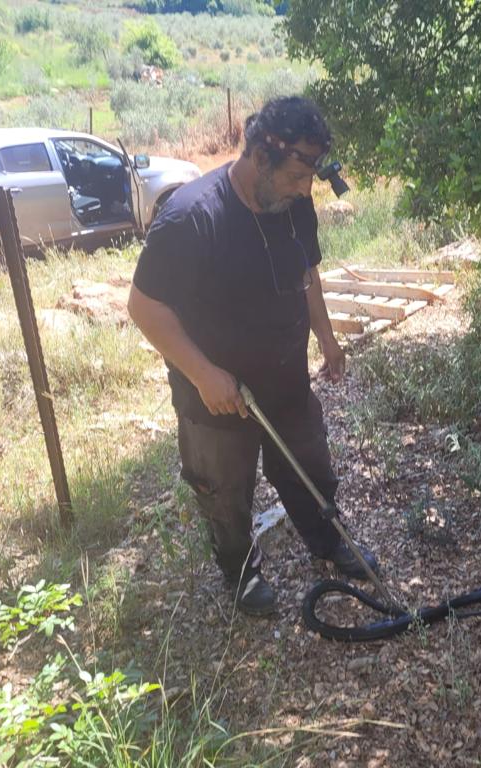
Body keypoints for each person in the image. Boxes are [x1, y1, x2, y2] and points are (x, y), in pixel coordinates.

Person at [128, 96, 379, 616]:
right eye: (294, 176)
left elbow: (306, 272)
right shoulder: (192, 216)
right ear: (261, 157)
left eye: (309, 178)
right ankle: (240, 572)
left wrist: (326, 338)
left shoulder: (295, 205)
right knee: (224, 493)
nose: (303, 190)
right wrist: (202, 374)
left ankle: (327, 542)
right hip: (216, 400)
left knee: (310, 465)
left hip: (286, 380)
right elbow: (144, 306)